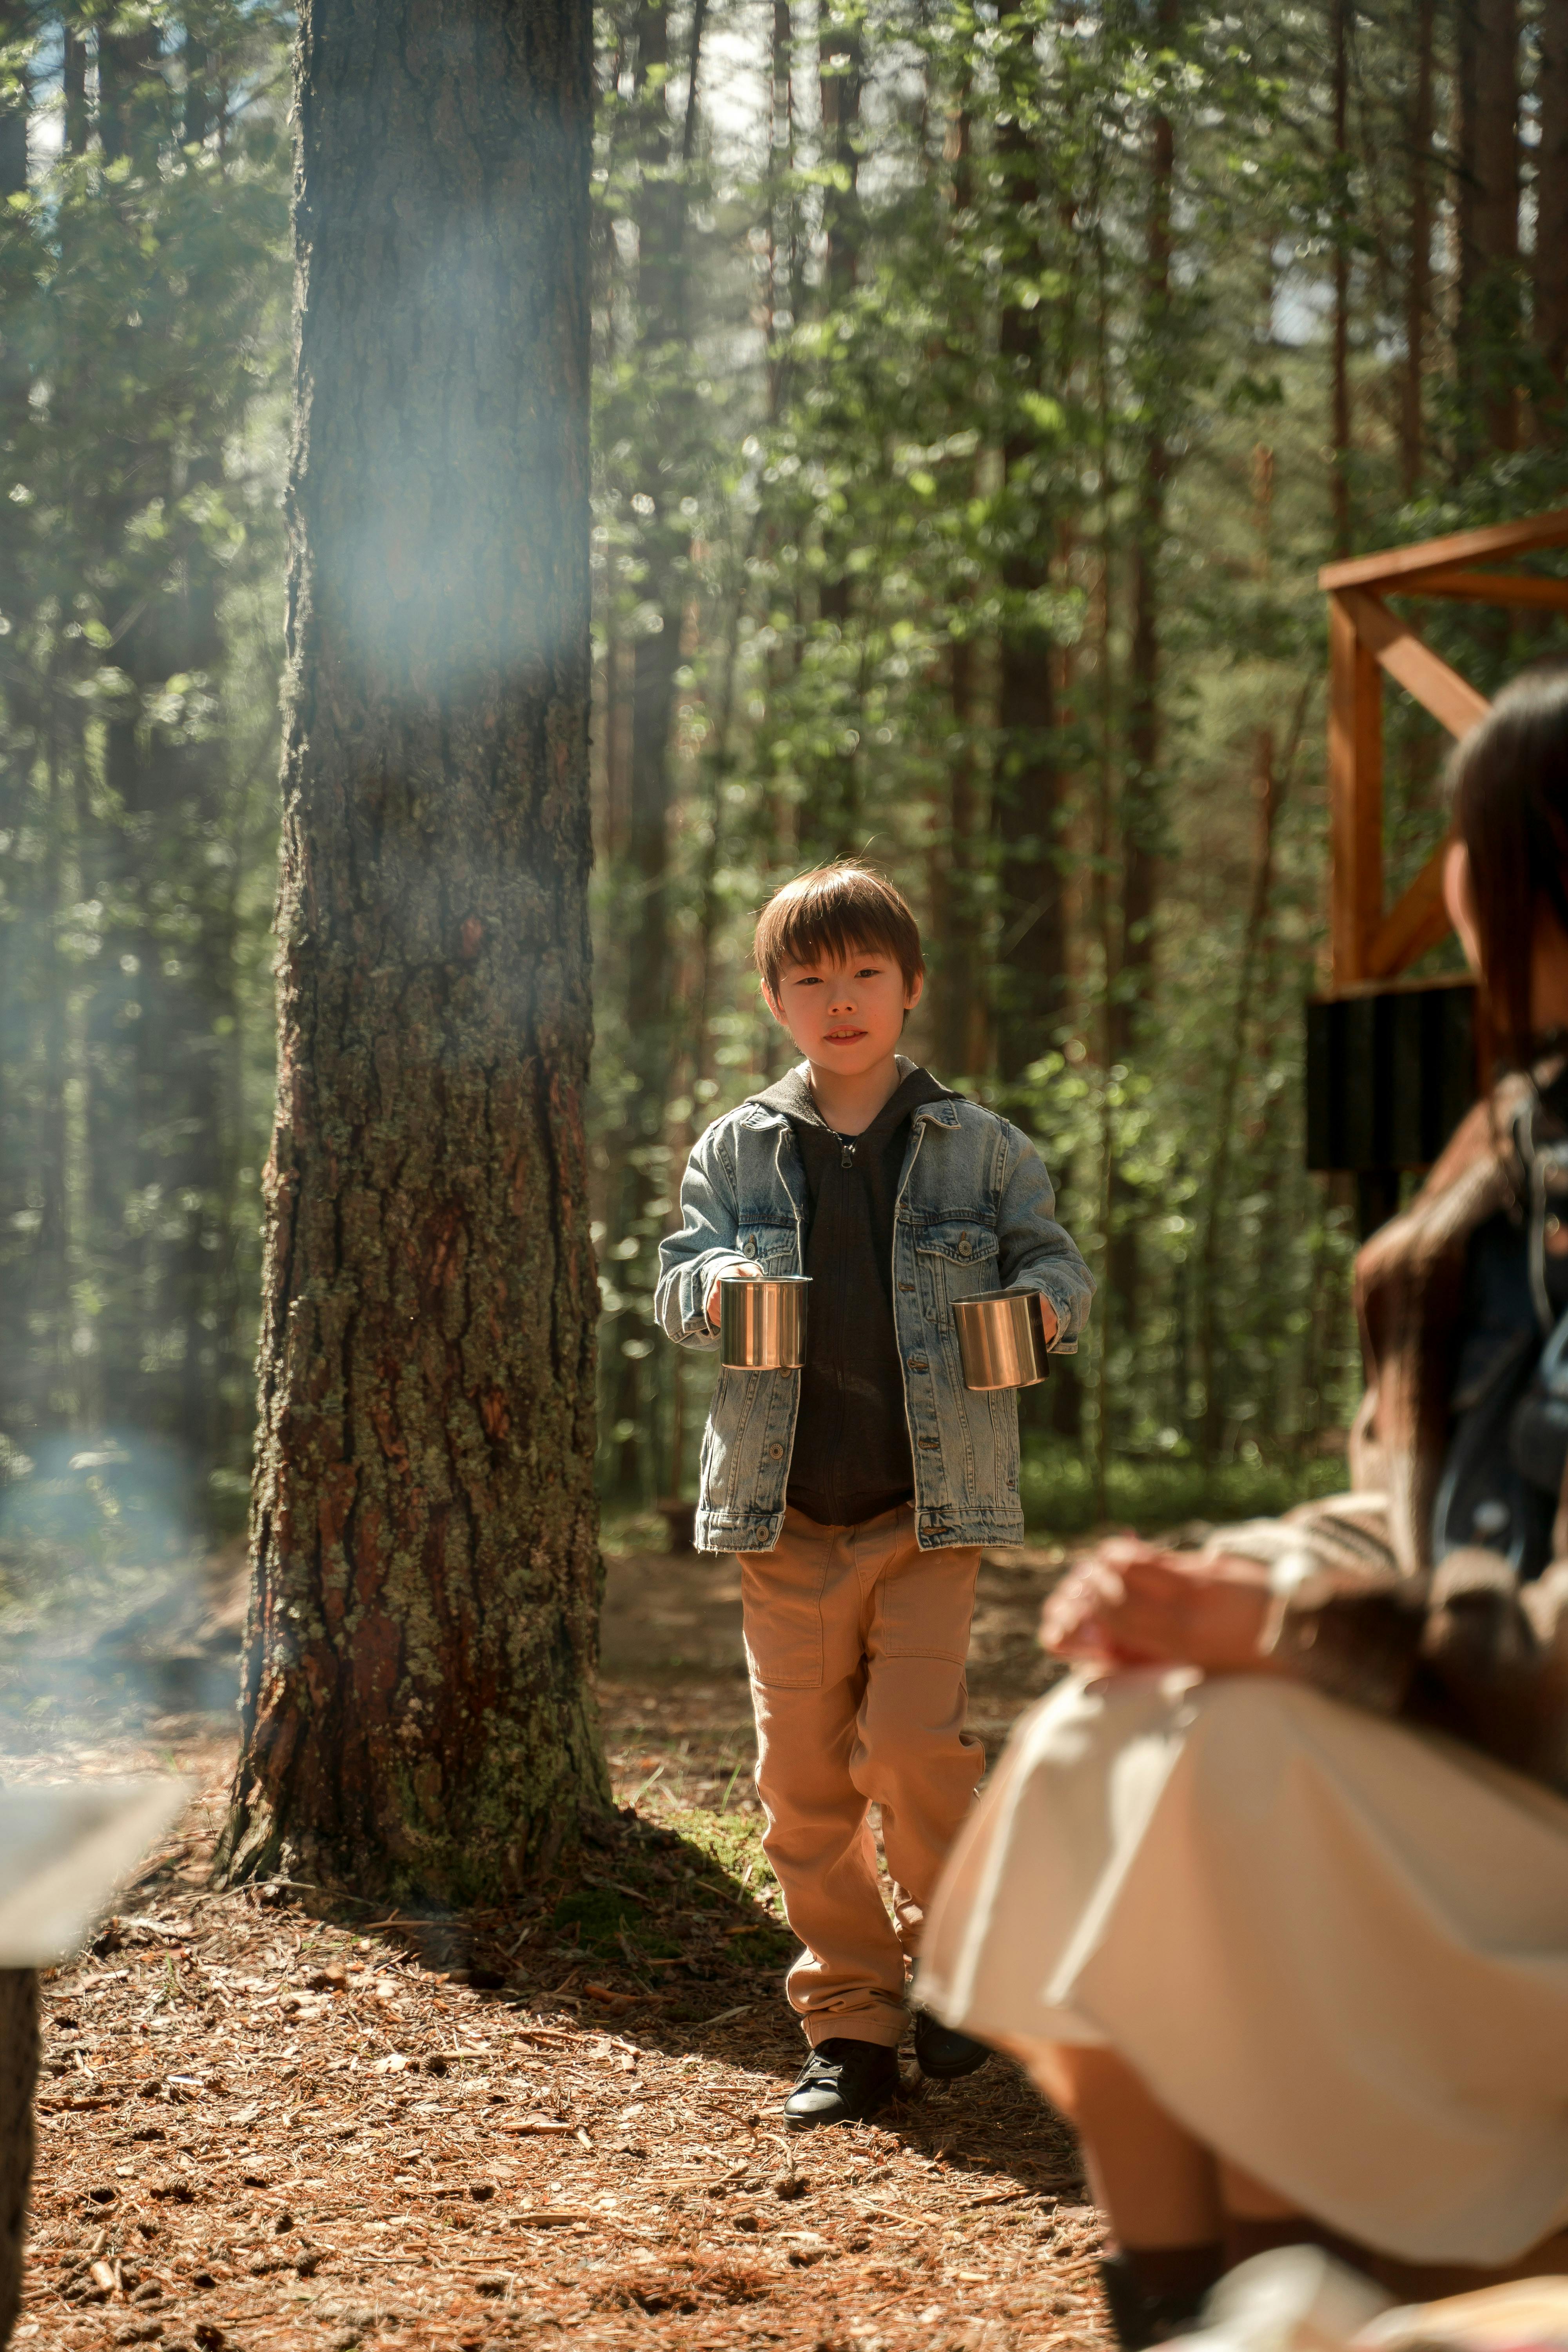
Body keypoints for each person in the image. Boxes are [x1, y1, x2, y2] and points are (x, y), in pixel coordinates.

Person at [915, 662, 1568, 2341]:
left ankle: (1312, 2295)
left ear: (1526, 869)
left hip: (1537, 1765)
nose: (1438, 884)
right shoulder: (1512, 1142)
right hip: (1484, 1728)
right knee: (1106, 1719)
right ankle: (1192, 2307)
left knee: (1233, 1761)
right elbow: (1431, 1509)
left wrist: (1289, 1634)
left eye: (1454, 839)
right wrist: (1211, 1579)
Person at [655, 861, 1095, 2127]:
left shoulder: (983, 1145)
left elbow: (1055, 1264)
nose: (839, 1001)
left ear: (910, 988)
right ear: (775, 1002)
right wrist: (719, 1283)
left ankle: (960, 1971)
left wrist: (1040, 1311)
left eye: (864, 976)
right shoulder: (737, 1150)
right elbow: (680, 1277)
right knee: (803, 1779)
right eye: (810, 980)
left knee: (914, 1749)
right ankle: (850, 2023)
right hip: (784, 1514)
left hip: (928, 1512)